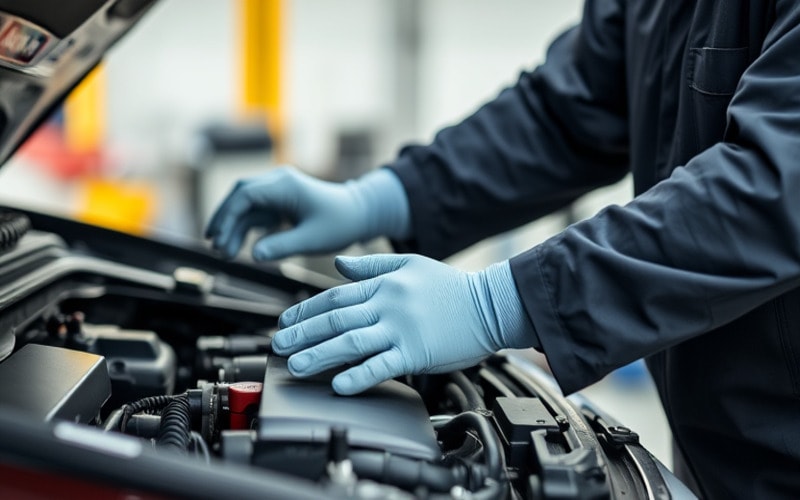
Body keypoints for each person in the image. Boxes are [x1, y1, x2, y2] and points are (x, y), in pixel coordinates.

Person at [205, 1, 800, 497]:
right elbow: (568, 111)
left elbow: (776, 188)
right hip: (720, 444)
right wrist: (386, 197)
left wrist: (504, 302)